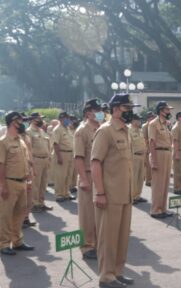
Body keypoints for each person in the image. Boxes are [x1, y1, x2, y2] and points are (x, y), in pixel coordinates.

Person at [91, 93, 139, 288]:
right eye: (128, 108)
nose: (130, 112)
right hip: (109, 196)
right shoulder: (105, 131)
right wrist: (100, 192)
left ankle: (118, 272)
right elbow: (95, 163)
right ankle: (106, 276)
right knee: (108, 239)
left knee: (121, 238)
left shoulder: (124, 131)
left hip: (124, 195)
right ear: (117, 108)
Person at [0, 112, 34, 256]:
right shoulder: (3, 142)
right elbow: (0, 165)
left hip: (22, 182)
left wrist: (28, 178)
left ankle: (17, 241)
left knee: (19, 214)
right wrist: (3, 186)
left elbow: (26, 161)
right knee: (6, 215)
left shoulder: (21, 140)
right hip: (9, 183)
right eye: (19, 121)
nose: (22, 123)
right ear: (13, 122)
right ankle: (4, 244)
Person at [73, 98, 103, 260]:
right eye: (96, 109)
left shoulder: (101, 128)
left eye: (100, 109)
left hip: (100, 175)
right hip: (88, 174)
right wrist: (83, 179)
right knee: (87, 214)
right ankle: (87, 246)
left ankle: (98, 243)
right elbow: (78, 157)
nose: (99, 112)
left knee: (99, 212)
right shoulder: (82, 130)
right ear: (88, 112)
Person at [148, 101, 174, 219]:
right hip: (158, 153)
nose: (169, 112)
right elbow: (152, 142)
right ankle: (155, 210)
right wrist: (153, 160)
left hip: (167, 153)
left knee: (165, 183)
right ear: (161, 111)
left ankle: (162, 208)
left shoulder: (165, 124)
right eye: (167, 110)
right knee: (158, 184)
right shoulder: (153, 124)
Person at [27, 112, 52, 212]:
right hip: (36, 160)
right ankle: (35, 204)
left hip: (45, 159)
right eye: (39, 118)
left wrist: (49, 157)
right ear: (33, 119)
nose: (41, 120)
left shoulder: (41, 131)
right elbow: (28, 149)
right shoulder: (29, 132)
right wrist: (31, 163)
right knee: (35, 184)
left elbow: (47, 145)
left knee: (43, 183)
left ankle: (41, 202)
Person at [52, 112, 76, 202]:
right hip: (62, 153)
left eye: (68, 118)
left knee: (68, 175)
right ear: (61, 119)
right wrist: (59, 157)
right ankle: (59, 194)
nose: (68, 120)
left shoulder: (67, 129)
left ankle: (66, 193)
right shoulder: (57, 129)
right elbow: (56, 144)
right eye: (66, 118)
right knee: (60, 176)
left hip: (70, 154)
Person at [129, 114, 147, 204]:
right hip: (134, 156)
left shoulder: (140, 131)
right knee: (134, 178)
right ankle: (132, 196)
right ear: (133, 121)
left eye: (140, 120)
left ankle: (138, 195)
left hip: (141, 156)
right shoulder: (129, 131)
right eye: (138, 120)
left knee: (140, 177)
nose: (139, 122)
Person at [142, 112, 155, 187]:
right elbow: (145, 139)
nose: (152, 118)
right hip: (148, 148)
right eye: (151, 117)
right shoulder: (145, 126)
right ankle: (148, 180)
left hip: (154, 148)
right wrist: (147, 149)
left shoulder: (153, 125)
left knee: (152, 165)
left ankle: (152, 179)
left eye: (153, 117)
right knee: (148, 166)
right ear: (148, 118)